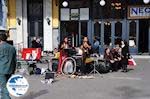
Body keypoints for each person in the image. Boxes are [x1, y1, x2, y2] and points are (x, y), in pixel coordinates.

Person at [0, 31, 16, 99]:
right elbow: (14, 60)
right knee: (6, 85)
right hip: (10, 69)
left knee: (3, 86)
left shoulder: (0, 47)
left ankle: (6, 98)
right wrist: (14, 69)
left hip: (2, 69)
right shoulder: (12, 47)